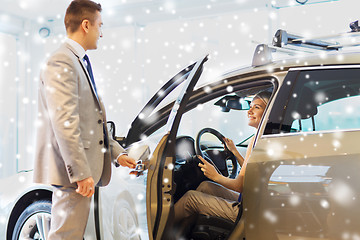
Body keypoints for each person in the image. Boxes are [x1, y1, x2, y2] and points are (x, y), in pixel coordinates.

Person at [33, 1, 136, 239]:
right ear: (86, 25)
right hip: (72, 174)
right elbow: (65, 122)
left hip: (81, 169)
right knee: (65, 235)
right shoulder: (61, 61)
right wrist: (80, 172)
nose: (101, 32)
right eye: (100, 25)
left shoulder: (78, 61)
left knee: (72, 234)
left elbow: (92, 122)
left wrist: (118, 153)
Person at [174, 90, 271, 223]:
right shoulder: (263, 138)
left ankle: (160, 232)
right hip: (254, 202)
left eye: (257, 107)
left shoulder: (258, 140)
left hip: (249, 211)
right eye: (250, 107)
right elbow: (252, 172)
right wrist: (235, 152)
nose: (249, 112)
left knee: (190, 198)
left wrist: (215, 175)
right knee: (205, 186)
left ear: (269, 112)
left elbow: (240, 186)